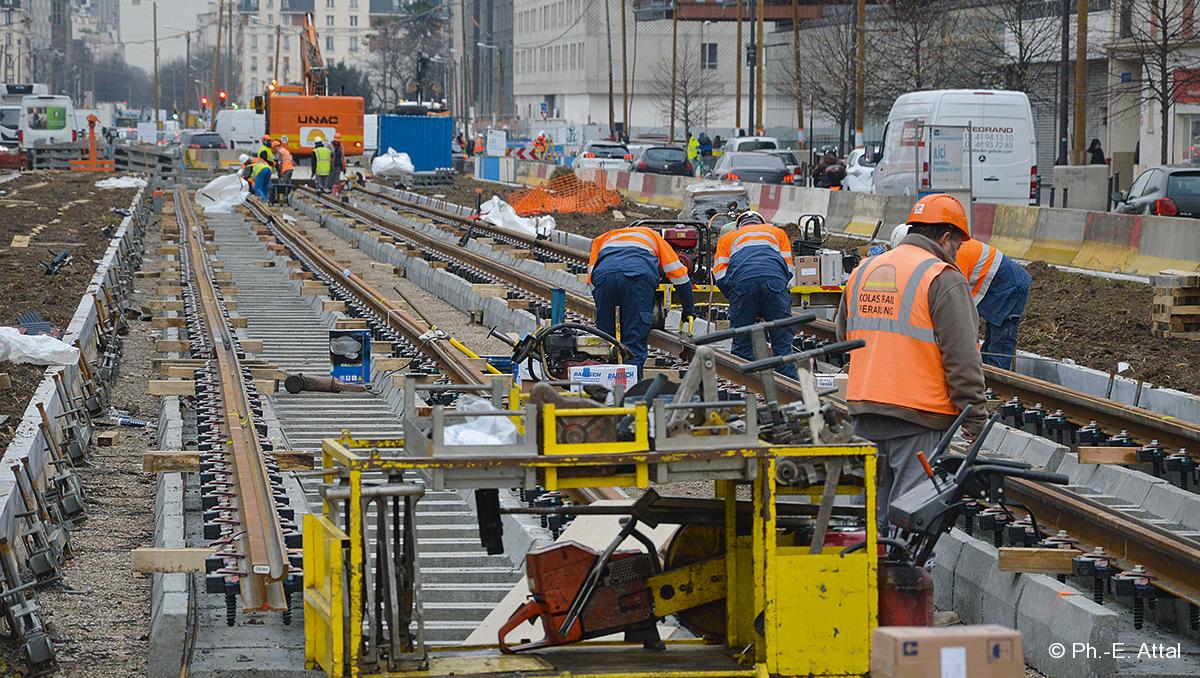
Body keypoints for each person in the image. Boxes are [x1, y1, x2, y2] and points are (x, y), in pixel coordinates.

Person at [836, 193, 988, 531]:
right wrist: (975, 421)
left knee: (865, 527)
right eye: (958, 246)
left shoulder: (865, 270)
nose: (956, 255)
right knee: (913, 524)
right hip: (918, 420)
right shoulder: (942, 277)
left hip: (864, 415)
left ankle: (865, 582)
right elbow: (963, 361)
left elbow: (843, 337)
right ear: (946, 238)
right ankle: (905, 583)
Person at [890, 223, 1032, 370]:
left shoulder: (955, 254)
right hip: (998, 286)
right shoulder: (943, 250)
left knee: (999, 345)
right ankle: (987, 379)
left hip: (1010, 286)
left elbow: (958, 307)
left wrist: (967, 354)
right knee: (991, 345)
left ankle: (996, 386)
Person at [588, 225, 696, 377]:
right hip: (637, 277)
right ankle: (630, 390)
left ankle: (607, 388)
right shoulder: (654, 238)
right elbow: (679, 276)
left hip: (605, 277)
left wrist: (603, 305)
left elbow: (591, 276)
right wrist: (688, 309)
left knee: (607, 340)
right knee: (634, 339)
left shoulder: (606, 236)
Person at [713, 211, 798, 379]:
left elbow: (720, 276)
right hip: (774, 282)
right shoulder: (778, 233)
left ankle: (747, 381)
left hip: (743, 285)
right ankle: (788, 383)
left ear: (739, 225)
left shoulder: (728, 237)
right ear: (762, 222)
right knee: (782, 338)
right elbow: (788, 269)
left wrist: (737, 297)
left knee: (741, 341)